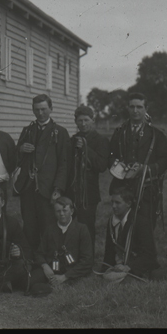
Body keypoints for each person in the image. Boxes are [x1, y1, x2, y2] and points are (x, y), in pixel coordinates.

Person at [14, 94, 70, 253]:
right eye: (37, 109)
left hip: (48, 189)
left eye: (44, 109)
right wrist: (21, 149)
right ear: (32, 110)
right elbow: (16, 159)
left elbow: (63, 164)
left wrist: (58, 189)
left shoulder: (60, 132)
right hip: (28, 188)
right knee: (29, 225)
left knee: (49, 225)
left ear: (51, 109)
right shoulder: (27, 130)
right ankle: (30, 261)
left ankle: (51, 259)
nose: (40, 113)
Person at [106, 93, 167, 222]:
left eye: (139, 107)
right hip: (122, 187)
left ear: (146, 108)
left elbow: (166, 160)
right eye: (132, 107)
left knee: (145, 228)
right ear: (128, 108)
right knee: (121, 226)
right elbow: (110, 156)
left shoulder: (156, 134)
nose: (135, 110)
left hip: (147, 189)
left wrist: (145, 169)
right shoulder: (119, 132)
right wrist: (119, 166)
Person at [30, 197, 93, 295]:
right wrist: (45, 266)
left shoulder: (81, 229)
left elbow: (87, 260)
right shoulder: (50, 229)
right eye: (58, 211)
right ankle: (49, 286)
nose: (62, 214)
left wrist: (65, 276)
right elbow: (39, 253)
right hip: (51, 271)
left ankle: (54, 287)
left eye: (65, 210)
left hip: (71, 273)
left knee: (41, 289)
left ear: (72, 211)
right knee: (29, 281)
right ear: (54, 213)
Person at [68, 105, 110, 246]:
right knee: (71, 227)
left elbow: (101, 165)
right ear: (75, 122)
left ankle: (87, 262)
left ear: (93, 120)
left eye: (86, 120)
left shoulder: (101, 140)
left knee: (86, 228)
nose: (83, 124)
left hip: (89, 194)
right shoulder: (72, 140)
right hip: (72, 192)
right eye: (80, 120)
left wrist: (86, 149)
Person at [98, 187, 159, 281]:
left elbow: (149, 255)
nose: (113, 206)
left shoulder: (141, 222)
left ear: (128, 204)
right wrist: (106, 269)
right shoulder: (112, 221)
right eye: (112, 202)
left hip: (137, 268)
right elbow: (109, 251)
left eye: (118, 203)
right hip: (120, 267)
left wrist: (128, 267)